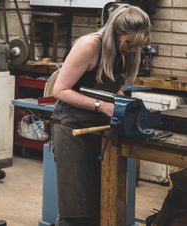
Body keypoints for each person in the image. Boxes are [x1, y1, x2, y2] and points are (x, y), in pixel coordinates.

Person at [52, 4, 151, 226]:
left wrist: (122, 101)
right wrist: (102, 106)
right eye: (130, 43)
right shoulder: (89, 45)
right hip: (72, 129)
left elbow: (108, 86)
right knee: (76, 207)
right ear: (116, 33)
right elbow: (59, 90)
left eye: (138, 46)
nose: (134, 50)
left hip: (101, 129)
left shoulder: (122, 52)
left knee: (100, 202)